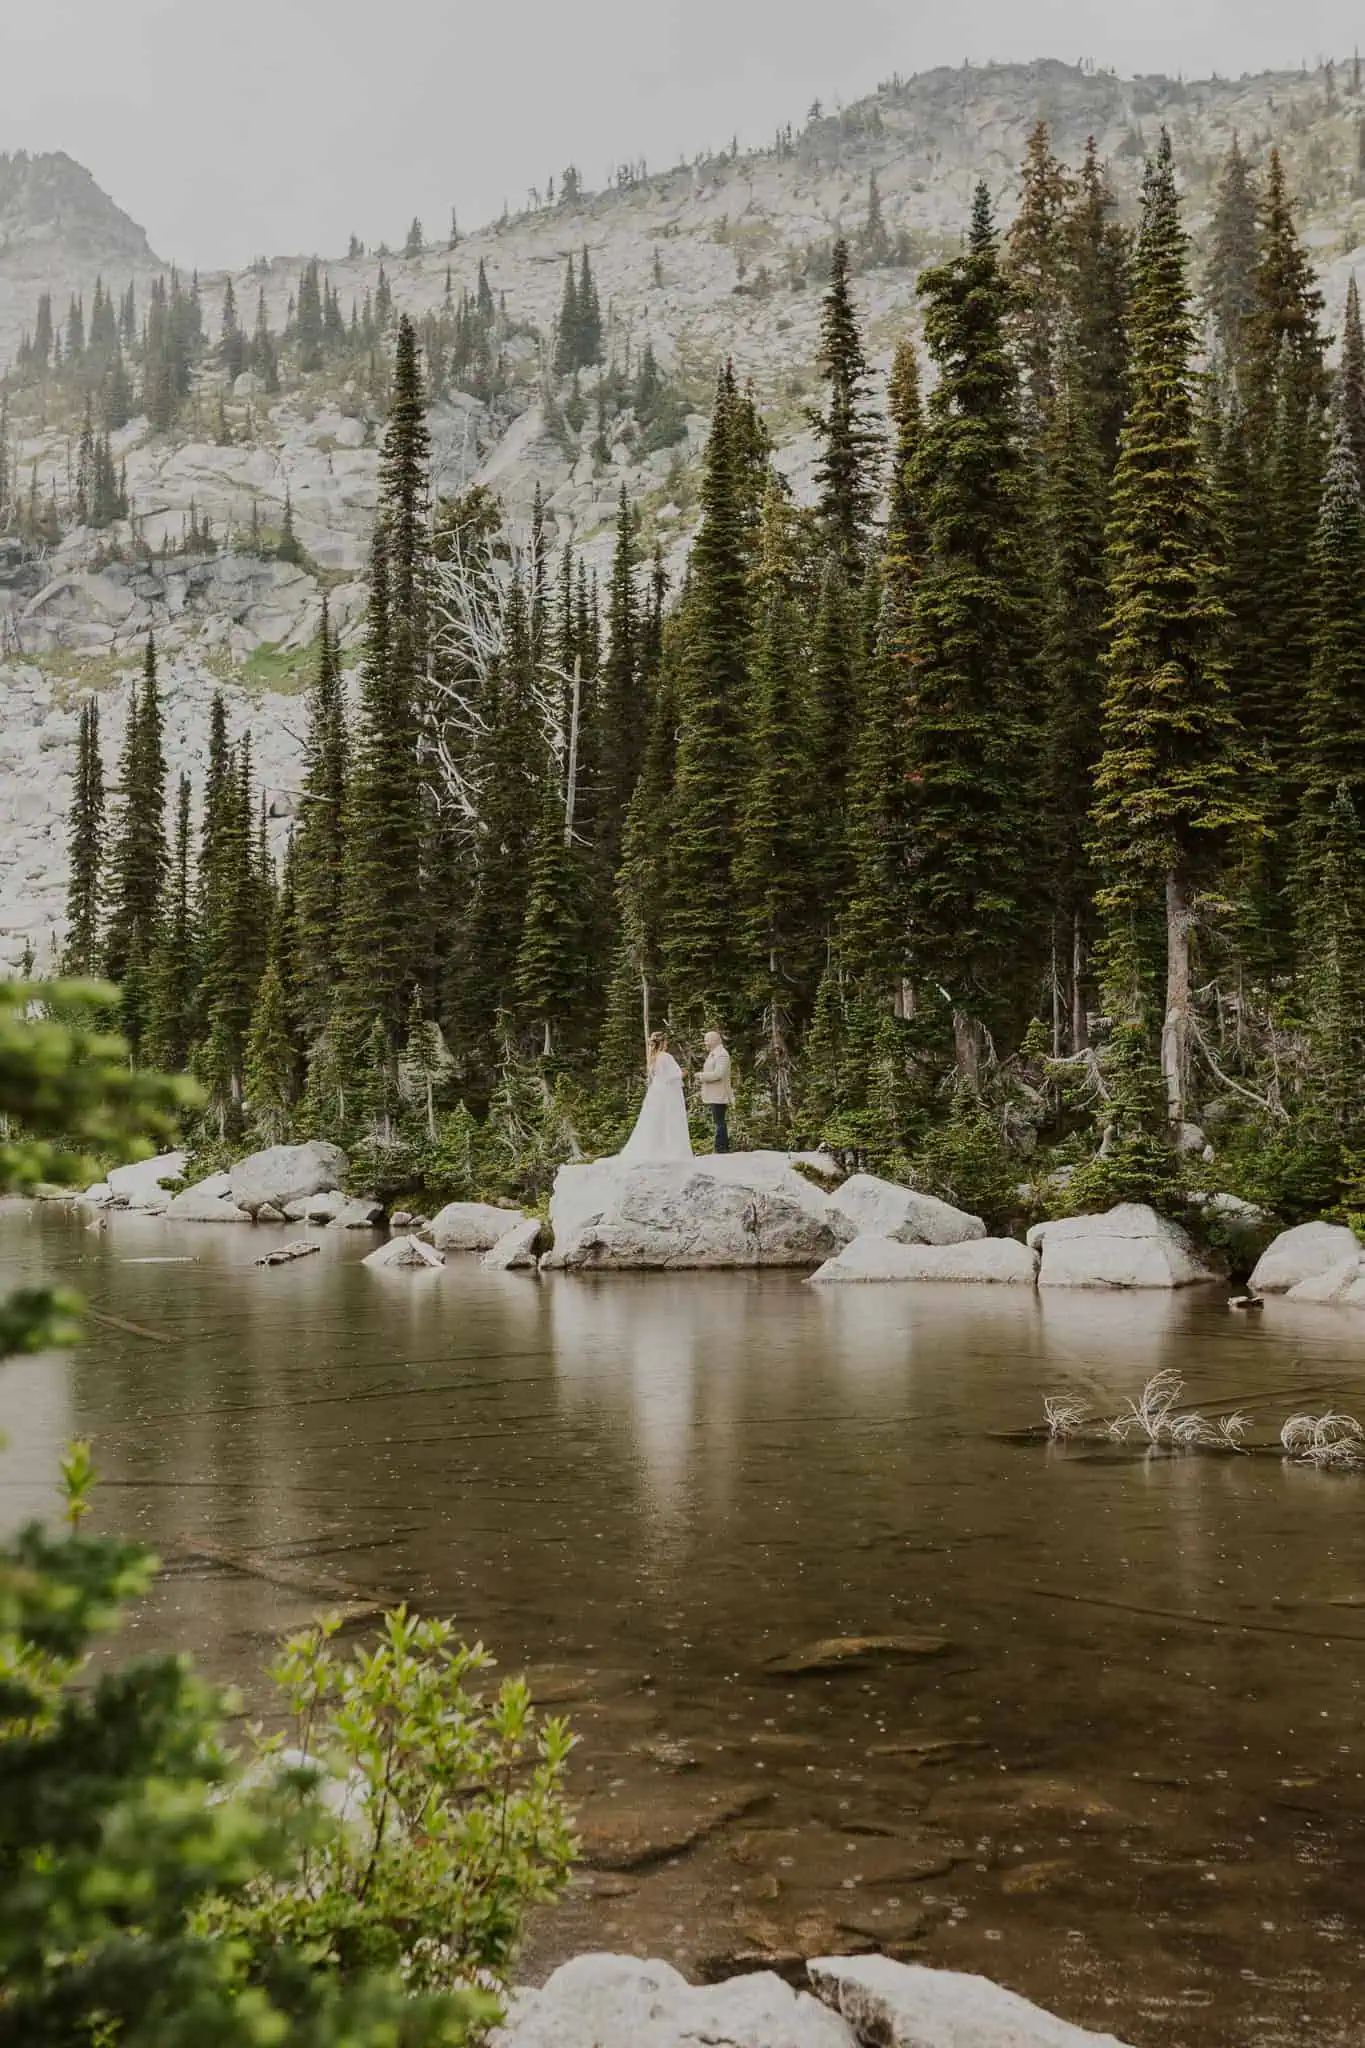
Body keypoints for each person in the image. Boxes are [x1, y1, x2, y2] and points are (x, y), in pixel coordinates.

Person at [619, 1030, 693, 1162]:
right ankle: (669, 1149)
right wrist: (682, 1074)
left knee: (655, 1119)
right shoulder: (665, 1056)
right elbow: (670, 1076)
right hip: (667, 1092)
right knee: (668, 1118)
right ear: (663, 1042)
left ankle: (655, 1148)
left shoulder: (654, 1057)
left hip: (656, 1091)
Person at [697, 1029, 734, 1154]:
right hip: (714, 1094)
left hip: (720, 1094)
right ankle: (720, 1146)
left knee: (719, 1121)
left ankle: (721, 1148)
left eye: (706, 1040)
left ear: (714, 1041)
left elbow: (719, 1074)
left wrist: (702, 1076)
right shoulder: (714, 1053)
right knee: (718, 1121)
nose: (705, 1043)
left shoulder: (722, 1054)